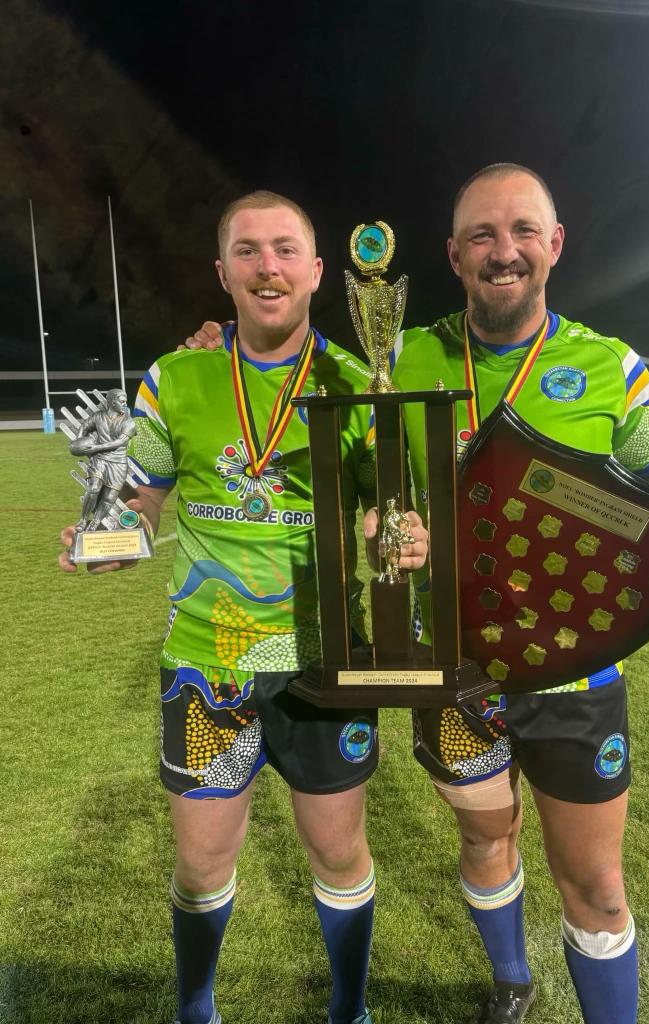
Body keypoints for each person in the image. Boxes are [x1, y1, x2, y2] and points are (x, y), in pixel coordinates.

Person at [181, 165, 649, 1024]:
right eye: (482, 235)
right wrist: (218, 344)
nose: (504, 251)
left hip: (573, 673)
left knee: (598, 885)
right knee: (486, 835)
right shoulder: (401, 356)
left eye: (523, 231)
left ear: (554, 244)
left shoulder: (605, 365)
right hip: (452, 671)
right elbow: (301, 380)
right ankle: (511, 981)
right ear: (454, 256)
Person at [59, 190, 428, 1024]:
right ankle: (196, 1009)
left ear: (318, 271)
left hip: (324, 664)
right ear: (222, 271)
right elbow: (143, 497)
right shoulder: (176, 376)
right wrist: (108, 533)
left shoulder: (357, 382)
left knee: (339, 852)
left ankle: (349, 1010)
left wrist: (397, 533)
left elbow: (389, 508)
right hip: (207, 665)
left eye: (287, 249)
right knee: (201, 866)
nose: (269, 267)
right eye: (249, 250)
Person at [69, 388, 135, 532]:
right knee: (93, 488)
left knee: (110, 497)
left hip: (118, 462)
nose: (125, 404)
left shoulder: (129, 422)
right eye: (122, 401)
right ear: (113, 402)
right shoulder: (98, 417)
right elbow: (84, 426)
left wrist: (95, 448)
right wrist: (78, 443)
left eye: (125, 401)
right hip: (99, 459)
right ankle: (83, 520)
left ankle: (96, 522)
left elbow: (119, 442)